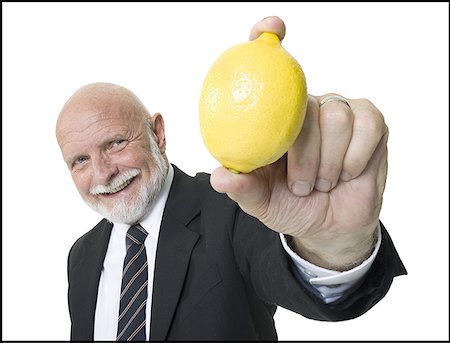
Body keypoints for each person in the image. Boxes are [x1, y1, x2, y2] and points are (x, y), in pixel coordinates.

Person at [56, 16, 406, 341]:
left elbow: (303, 285)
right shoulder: (81, 256)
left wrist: (335, 245)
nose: (103, 173)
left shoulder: (232, 207)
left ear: (157, 134)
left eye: (116, 143)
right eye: (80, 160)